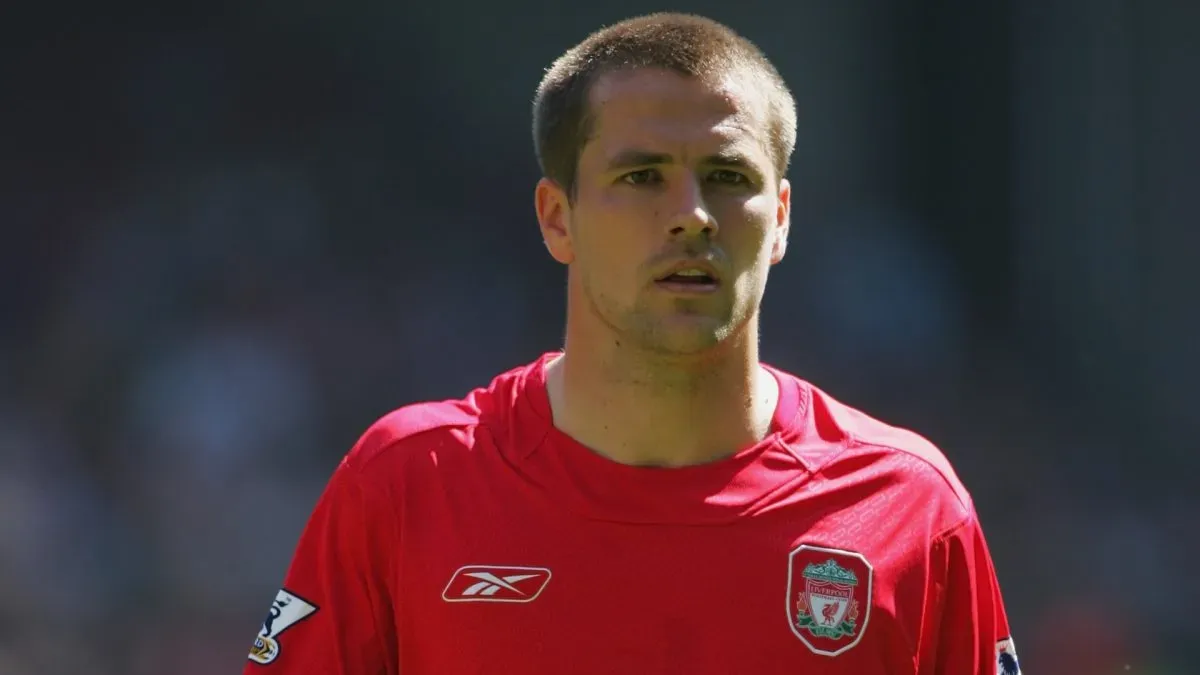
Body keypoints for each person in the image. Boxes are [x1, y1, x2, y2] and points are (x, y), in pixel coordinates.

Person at [243, 12, 1022, 675]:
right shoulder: (409, 484)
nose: (692, 215)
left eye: (727, 176)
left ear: (780, 217)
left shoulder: (908, 505)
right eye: (642, 177)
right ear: (557, 217)